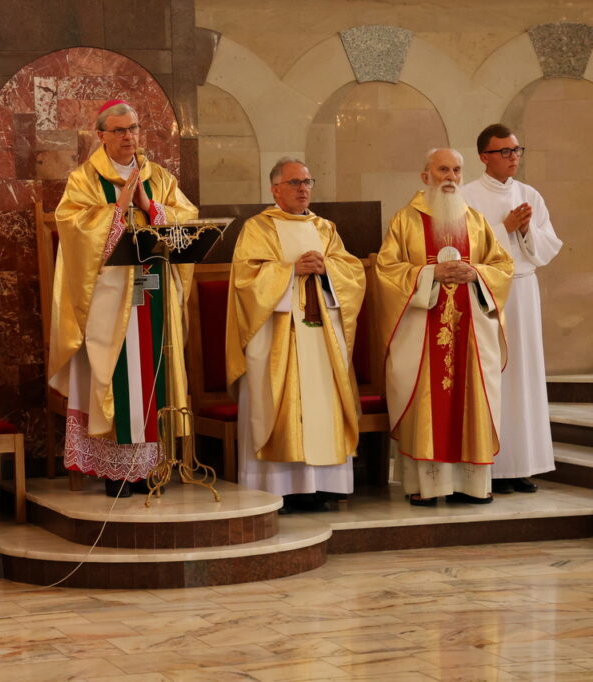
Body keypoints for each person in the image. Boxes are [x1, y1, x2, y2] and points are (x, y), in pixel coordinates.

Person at [49, 99, 198, 497]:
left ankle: (151, 467)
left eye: (133, 128)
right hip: (108, 298)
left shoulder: (158, 176)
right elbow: (72, 226)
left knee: (152, 368)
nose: (129, 136)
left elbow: (187, 219)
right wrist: (117, 210)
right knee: (113, 372)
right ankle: (115, 471)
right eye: (119, 130)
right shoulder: (84, 179)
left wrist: (149, 206)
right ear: (101, 135)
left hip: (153, 289)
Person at [226, 158, 365, 513]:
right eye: (294, 183)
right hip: (278, 338)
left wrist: (327, 269)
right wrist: (290, 271)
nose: (303, 189)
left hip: (321, 337)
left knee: (323, 405)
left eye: (307, 182)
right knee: (280, 405)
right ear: (275, 189)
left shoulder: (325, 228)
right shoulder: (258, 228)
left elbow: (353, 274)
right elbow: (246, 280)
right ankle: (279, 489)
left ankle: (323, 487)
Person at [375, 148, 513, 506]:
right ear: (426, 176)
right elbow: (386, 271)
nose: (450, 177)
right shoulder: (405, 220)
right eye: (442, 170)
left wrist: (476, 273)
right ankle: (427, 486)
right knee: (427, 403)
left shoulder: (476, 220)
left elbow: (502, 266)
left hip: (471, 333)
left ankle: (472, 486)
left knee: (471, 400)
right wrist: (429, 274)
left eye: (456, 170)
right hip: (422, 331)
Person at [463, 124, 563, 495]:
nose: (513, 158)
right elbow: (462, 247)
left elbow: (547, 247)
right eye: (504, 151)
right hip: (487, 294)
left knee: (524, 376)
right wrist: (504, 228)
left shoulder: (529, 194)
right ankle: (492, 465)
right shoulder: (467, 196)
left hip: (523, 290)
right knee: (495, 375)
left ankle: (522, 465)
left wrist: (524, 232)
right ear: (483, 157)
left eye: (517, 150)